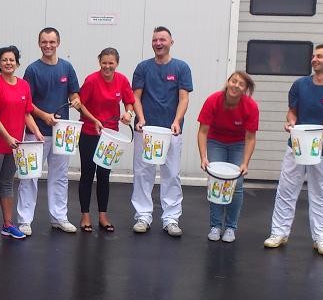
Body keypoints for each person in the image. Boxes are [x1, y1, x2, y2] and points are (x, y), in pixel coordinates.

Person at [264, 45, 323, 256]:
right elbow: (292, 112)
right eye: (313, 56)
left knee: (322, 194)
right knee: (286, 190)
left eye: (320, 56)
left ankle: (321, 238)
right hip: (296, 145)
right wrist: (291, 122)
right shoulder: (300, 85)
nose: (314, 59)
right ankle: (279, 233)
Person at [16, 28, 81, 235]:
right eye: (44, 42)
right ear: (39, 44)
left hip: (62, 133)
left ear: (58, 43)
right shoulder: (32, 70)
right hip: (36, 132)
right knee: (29, 176)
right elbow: (26, 102)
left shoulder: (67, 67)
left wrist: (76, 100)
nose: (48, 45)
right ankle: (24, 220)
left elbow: (74, 94)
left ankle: (59, 217)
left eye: (52, 42)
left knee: (60, 176)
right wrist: (44, 116)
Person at [130, 26, 193, 237]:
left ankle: (171, 219)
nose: (158, 43)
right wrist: (140, 119)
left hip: (171, 131)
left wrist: (177, 121)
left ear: (171, 42)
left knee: (172, 174)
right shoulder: (143, 67)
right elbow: (136, 97)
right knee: (143, 173)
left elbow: (184, 98)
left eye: (162, 40)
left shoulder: (181, 68)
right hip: (146, 131)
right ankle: (143, 216)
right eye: (155, 40)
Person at [0, 46, 44, 241]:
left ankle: (8, 224)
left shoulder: (24, 85)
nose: (8, 63)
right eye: (4, 60)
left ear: (17, 63)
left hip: (16, 144)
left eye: (12, 60)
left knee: (8, 183)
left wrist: (37, 132)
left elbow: (27, 114)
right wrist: (7, 137)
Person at [76, 48, 135, 233]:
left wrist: (128, 113)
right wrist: (94, 120)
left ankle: (103, 215)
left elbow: (129, 101)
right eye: (104, 63)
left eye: (111, 63)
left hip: (110, 136)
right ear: (99, 62)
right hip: (89, 132)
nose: (107, 66)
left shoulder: (122, 80)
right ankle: (85, 215)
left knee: (104, 175)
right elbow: (80, 104)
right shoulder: (91, 80)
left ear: (117, 63)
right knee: (87, 174)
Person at [197, 71, 259, 243]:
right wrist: (203, 157)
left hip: (238, 144)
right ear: (228, 82)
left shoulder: (250, 106)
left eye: (241, 84)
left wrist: (245, 163)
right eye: (233, 81)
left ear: (245, 89)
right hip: (216, 141)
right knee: (217, 181)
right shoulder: (213, 100)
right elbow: (203, 131)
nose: (236, 86)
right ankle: (215, 226)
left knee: (236, 184)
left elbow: (250, 137)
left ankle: (231, 227)